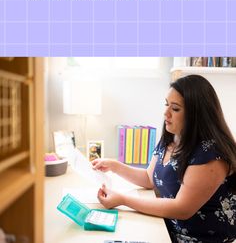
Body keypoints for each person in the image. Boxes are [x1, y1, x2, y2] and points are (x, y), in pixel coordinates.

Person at [92, 75, 236, 243]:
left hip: (197, 238)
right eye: (166, 104)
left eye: (175, 109)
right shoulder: (171, 138)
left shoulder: (211, 155)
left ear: (197, 114)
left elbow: (182, 209)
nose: (165, 113)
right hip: (167, 228)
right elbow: (149, 178)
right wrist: (114, 166)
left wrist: (123, 200)